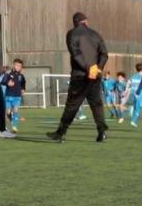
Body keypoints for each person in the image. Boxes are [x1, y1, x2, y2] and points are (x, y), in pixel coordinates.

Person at [47, 12, 109, 143]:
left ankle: (61, 132)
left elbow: (76, 53)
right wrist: (97, 68)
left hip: (80, 75)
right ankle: (102, 132)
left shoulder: (72, 34)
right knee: (96, 103)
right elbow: (104, 54)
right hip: (95, 75)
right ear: (85, 21)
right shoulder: (95, 34)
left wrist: (87, 68)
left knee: (72, 105)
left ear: (75, 22)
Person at [1, 59, 26, 133]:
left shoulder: (21, 76)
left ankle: (14, 127)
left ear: (21, 67)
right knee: (8, 113)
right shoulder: (8, 73)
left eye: (19, 66)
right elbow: (3, 81)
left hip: (17, 96)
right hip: (8, 96)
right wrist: (7, 83)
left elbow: (23, 83)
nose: (18, 67)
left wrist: (23, 89)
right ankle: (12, 122)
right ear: (13, 65)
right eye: (16, 65)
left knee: (15, 110)